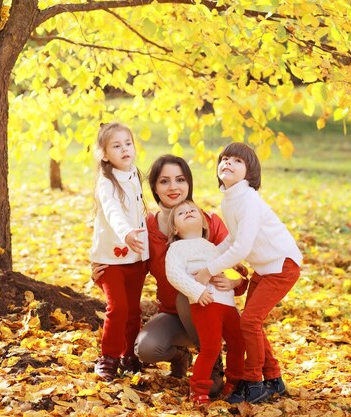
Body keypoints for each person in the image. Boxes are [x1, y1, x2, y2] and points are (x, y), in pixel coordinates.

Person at [92, 155, 247, 396]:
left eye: (180, 179)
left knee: (189, 294)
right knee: (146, 348)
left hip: (210, 312)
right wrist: (103, 275)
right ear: (154, 187)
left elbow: (240, 272)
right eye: (164, 181)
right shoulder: (146, 229)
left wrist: (235, 282)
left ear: (189, 184)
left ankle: (212, 360)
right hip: (172, 315)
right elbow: (130, 273)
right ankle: (181, 355)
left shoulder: (208, 223)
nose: (173, 187)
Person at [195, 142, 302, 404]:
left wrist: (209, 270)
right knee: (251, 322)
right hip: (265, 267)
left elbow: (242, 246)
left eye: (237, 161)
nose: (228, 163)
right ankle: (273, 377)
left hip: (281, 265)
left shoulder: (249, 200)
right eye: (224, 159)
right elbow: (233, 238)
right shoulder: (230, 199)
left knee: (249, 322)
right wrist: (209, 254)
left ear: (250, 173)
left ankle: (254, 382)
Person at [165, 200, 245, 405]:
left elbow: (233, 262)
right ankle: (199, 388)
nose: (189, 212)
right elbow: (174, 274)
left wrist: (236, 280)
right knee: (211, 347)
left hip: (228, 305)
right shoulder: (177, 248)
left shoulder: (214, 248)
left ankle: (234, 382)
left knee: (239, 342)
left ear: (203, 223)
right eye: (181, 212)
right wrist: (197, 291)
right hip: (205, 302)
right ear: (174, 228)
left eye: (193, 210)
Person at [89, 122, 150, 381]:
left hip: (135, 255)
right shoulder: (106, 182)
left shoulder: (135, 173)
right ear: (104, 154)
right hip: (111, 258)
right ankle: (108, 357)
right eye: (116, 146)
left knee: (133, 310)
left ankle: (129, 354)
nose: (125, 149)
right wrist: (126, 233)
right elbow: (113, 212)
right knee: (119, 308)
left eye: (128, 143)